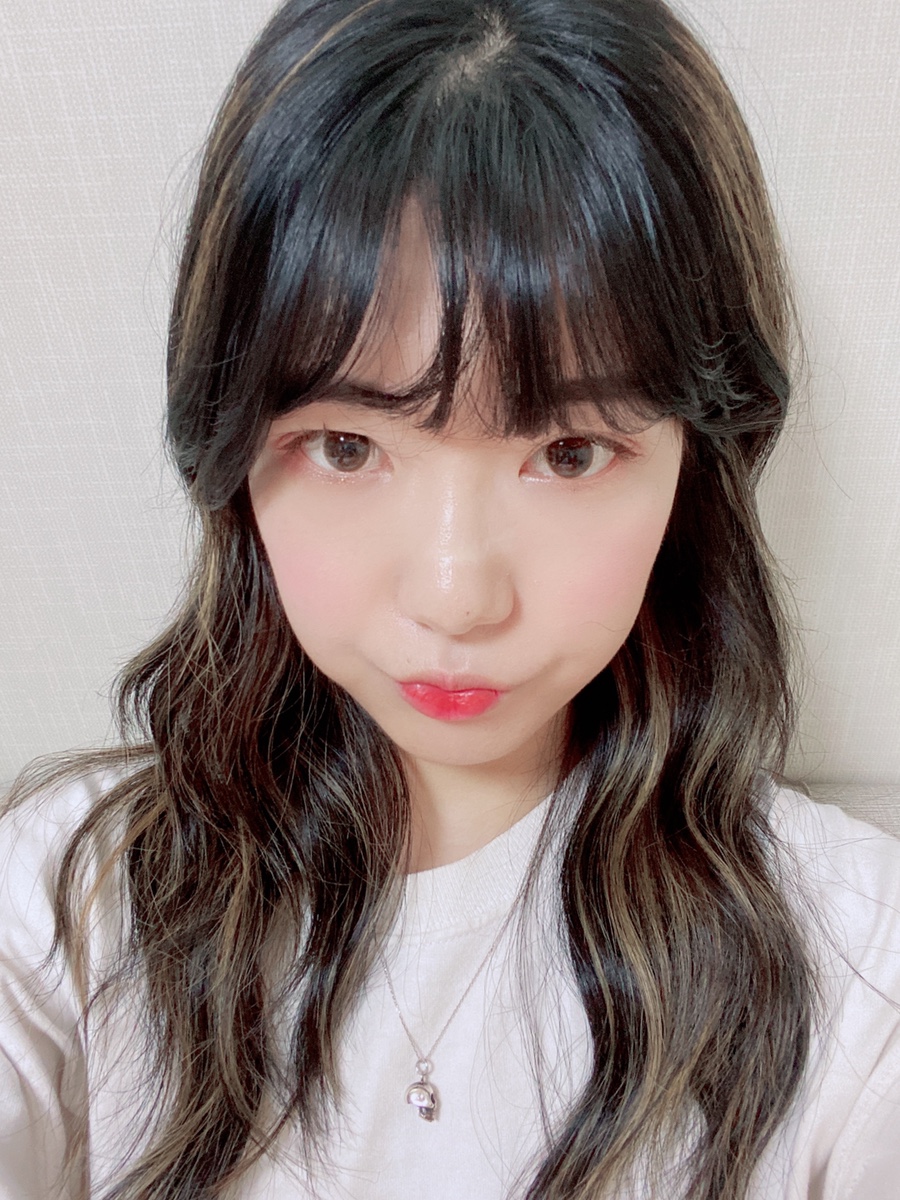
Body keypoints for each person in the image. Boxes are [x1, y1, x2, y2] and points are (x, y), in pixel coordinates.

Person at [2, 0, 899, 1196]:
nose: (455, 595)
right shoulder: (71, 907)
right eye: (347, 446)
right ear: (230, 445)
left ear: (698, 460)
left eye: (569, 453)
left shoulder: (854, 965)